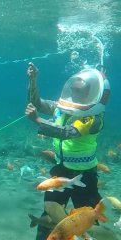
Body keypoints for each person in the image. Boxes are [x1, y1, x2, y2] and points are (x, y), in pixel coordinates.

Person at [25, 62, 110, 240]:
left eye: (80, 91)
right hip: (60, 170)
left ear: (91, 93)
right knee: (48, 215)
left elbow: (68, 132)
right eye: (74, 89)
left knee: (87, 222)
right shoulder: (63, 107)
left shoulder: (93, 118)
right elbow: (37, 103)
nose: (75, 94)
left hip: (85, 174)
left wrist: (38, 120)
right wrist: (33, 81)